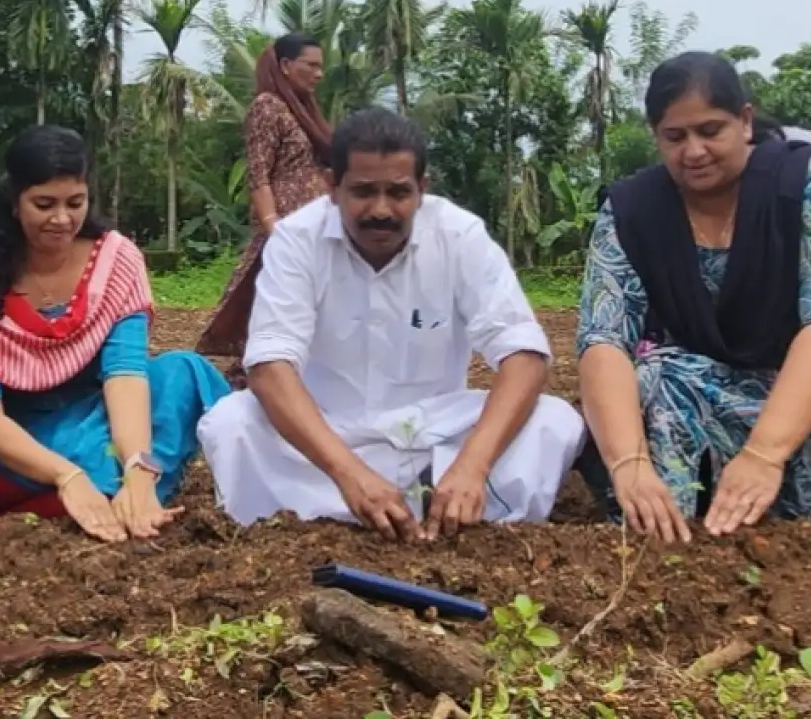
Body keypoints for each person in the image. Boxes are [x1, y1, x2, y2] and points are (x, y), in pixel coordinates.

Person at [579, 53, 811, 541]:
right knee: (654, 388)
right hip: (706, 372)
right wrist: (628, 462)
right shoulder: (632, 210)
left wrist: (763, 454)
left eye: (711, 131)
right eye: (675, 137)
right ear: (656, 137)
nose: (694, 151)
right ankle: (672, 538)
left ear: (745, 121)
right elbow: (603, 337)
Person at [199, 108, 585, 538]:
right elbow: (270, 368)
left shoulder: (459, 236)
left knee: (554, 420)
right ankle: (321, 524)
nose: (380, 209)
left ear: (422, 189)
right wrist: (349, 474)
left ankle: (465, 516)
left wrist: (473, 464)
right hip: (327, 436)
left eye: (398, 193)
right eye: (363, 191)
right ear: (331, 187)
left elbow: (524, 355)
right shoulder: (297, 240)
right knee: (230, 422)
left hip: (437, 435)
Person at [0, 126, 229, 541]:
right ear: (14, 204)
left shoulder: (116, 260)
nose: (62, 220)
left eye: (75, 203)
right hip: (21, 441)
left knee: (184, 372)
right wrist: (66, 475)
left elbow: (125, 374)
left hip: (103, 418)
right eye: (44, 204)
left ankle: (128, 494)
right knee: (8, 460)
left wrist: (138, 469)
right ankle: (96, 495)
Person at [197, 34, 333, 372]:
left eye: (321, 66)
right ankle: (258, 374)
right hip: (286, 225)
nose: (319, 74)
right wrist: (274, 227)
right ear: (286, 66)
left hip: (316, 224)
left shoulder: (304, 111)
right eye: (311, 65)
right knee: (275, 303)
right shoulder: (267, 107)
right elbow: (258, 174)